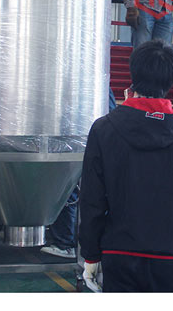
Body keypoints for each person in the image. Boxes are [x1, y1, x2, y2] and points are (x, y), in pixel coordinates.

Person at [77, 39, 173, 292]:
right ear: (172, 78)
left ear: (134, 74)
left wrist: (91, 254)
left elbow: (92, 199)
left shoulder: (104, 130)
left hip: (120, 256)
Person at [41, 89, 118, 259]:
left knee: (68, 192)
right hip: (83, 142)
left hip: (79, 143)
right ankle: (71, 242)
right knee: (72, 192)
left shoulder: (93, 86)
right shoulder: (97, 86)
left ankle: (65, 243)